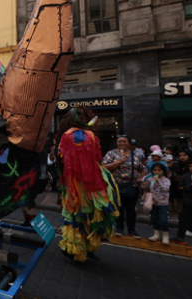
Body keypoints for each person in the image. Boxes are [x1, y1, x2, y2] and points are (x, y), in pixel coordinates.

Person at [56, 108, 119, 262]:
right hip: (91, 183)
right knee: (90, 215)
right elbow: (98, 157)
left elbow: (62, 158)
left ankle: (78, 248)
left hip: (76, 183)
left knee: (76, 216)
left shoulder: (67, 135)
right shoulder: (89, 136)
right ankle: (81, 248)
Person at [102, 135, 145, 237]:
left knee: (131, 209)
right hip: (117, 186)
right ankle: (119, 228)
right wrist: (119, 162)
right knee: (119, 208)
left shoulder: (135, 155)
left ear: (128, 143)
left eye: (125, 141)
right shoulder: (111, 153)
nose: (122, 143)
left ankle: (132, 229)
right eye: (120, 141)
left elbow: (141, 168)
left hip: (132, 186)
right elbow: (104, 167)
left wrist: (142, 179)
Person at [141, 162, 171, 244]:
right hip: (153, 202)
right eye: (155, 170)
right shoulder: (150, 179)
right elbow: (145, 187)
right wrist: (144, 182)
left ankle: (165, 235)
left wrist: (158, 182)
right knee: (154, 218)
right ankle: (156, 234)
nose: (157, 172)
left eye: (159, 170)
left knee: (163, 219)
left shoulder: (166, 180)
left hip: (162, 203)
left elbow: (165, 189)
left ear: (163, 171)